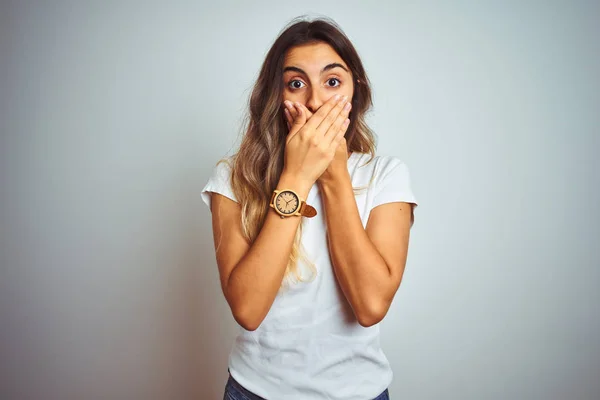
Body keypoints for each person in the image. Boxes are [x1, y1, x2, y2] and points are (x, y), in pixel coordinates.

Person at [201, 16, 418, 400]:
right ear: (275, 94)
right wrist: (296, 178)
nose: (315, 101)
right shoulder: (233, 177)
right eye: (296, 84)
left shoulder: (386, 175)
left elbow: (369, 306)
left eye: (332, 81)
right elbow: (248, 310)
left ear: (357, 93)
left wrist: (334, 175)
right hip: (254, 392)